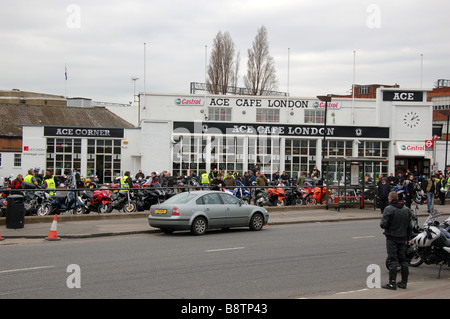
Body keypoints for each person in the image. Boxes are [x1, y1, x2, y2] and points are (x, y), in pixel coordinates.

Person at [380, 191, 413, 290]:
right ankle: (404, 282)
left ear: (390, 199)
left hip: (392, 237)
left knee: (392, 260)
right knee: (403, 260)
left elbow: (383, 224)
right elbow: (410, 226)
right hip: (403, 238)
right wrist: (408, 238)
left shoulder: (389, 209)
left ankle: (392, 283)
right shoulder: (406, 209)